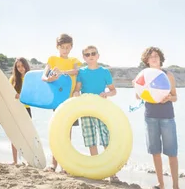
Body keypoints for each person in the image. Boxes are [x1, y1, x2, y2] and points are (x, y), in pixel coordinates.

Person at [72, 45, 120, 183]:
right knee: (90, 139)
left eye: (93, 53)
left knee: (106, 139)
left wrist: (107, 94)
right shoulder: (81, 72)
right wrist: (75, 94)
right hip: (86, 109)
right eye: (87, 54)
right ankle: (97, 170)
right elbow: (77, 89)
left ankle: (112, 172)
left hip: (101, 109)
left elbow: (114, 91)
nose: (91, 56)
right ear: (84, 58)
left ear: (98, 55)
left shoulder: (104, 72)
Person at [137, 47, 179, 189]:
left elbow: (175, 97)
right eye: (150, 57)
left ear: (160, 58)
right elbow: (139, 96)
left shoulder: (168, 75)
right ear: (147, 61)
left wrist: (168, 98)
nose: (154, 58)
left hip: (167, 117)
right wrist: (136, 86)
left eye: (156, 56)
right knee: (155, 152)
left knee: (172, 152)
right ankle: (160, 184)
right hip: (150, 117)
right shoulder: (143, 75)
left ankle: (175, 186)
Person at [41, 33, 80, 172]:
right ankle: (53, 164)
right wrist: (49, 79)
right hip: (57, 101)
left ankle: (65, 166)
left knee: (67, 133)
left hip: (70, 101)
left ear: (71, 47)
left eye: (67, 47)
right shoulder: (52, 59)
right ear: (57, 47)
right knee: (56, 131)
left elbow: (76, 71)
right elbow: (44, 76)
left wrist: (61, 71)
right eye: (62, 47)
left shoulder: (74, 59)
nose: (65, 50)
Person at [9, 57, 32, 164]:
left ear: (26, 66)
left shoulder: (31, 78)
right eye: (18, 66)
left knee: (26, 135)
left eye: (22, 66)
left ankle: (27, 160)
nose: (21, 68)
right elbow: (8, 95)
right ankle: (15, 161)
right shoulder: (13, 79)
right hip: (15, 109)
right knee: (15, 135)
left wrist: (21, 96)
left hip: (26, 109)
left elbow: (33, 96)